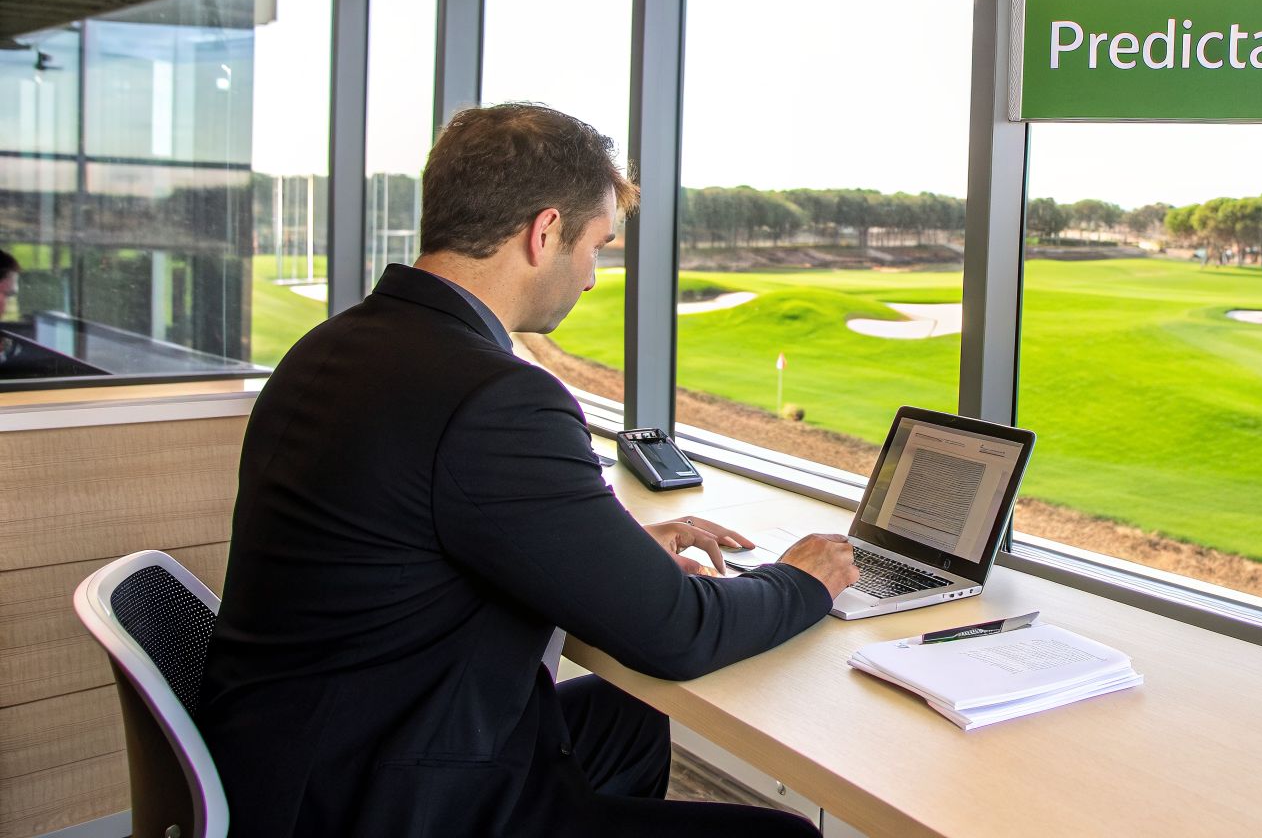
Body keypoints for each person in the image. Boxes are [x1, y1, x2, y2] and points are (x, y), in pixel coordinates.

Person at [198, 104, 858, 837]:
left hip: (296, 757)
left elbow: (430, 524)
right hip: (383, 803)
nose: (594, 277)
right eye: (597, 245)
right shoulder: (493, 396)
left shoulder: (334, 345)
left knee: (626, 717)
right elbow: (677, 635)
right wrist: (803, 579)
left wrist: (609, 551)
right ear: (544, 233)